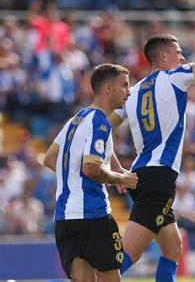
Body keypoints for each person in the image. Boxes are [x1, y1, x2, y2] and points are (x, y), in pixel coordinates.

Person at [110, 4, 195, 281]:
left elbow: (104, 128)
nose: (182, 57)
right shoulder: (175, 77)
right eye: (178, 53)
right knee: (128, 254)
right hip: (158, 176)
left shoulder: (134, 91)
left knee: (173, 246)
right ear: (163, 56)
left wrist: (116, 168)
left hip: (141, 174)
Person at [41, 63, 138, 281]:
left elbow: (50, 158)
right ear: (108, 88)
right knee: (111, 279)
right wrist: (121, 178)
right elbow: (91, 168)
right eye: (124, 85)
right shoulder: (100, 122)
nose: (129, 92)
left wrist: (76, 174)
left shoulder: (77, 119)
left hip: (65, 217)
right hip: (92, 215)